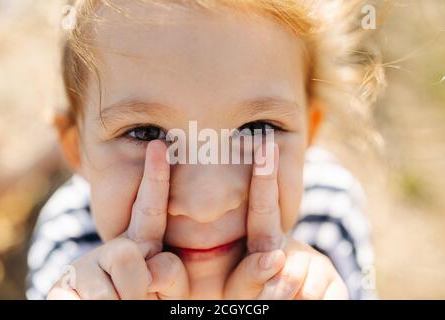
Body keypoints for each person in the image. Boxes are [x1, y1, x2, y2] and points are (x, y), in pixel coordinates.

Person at [27, 0, 381, 300]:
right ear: (76, 150)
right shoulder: (70, 252)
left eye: (257, 128)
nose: (205, 207)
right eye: (146, 132)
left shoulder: (331, 217)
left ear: (309, 133)